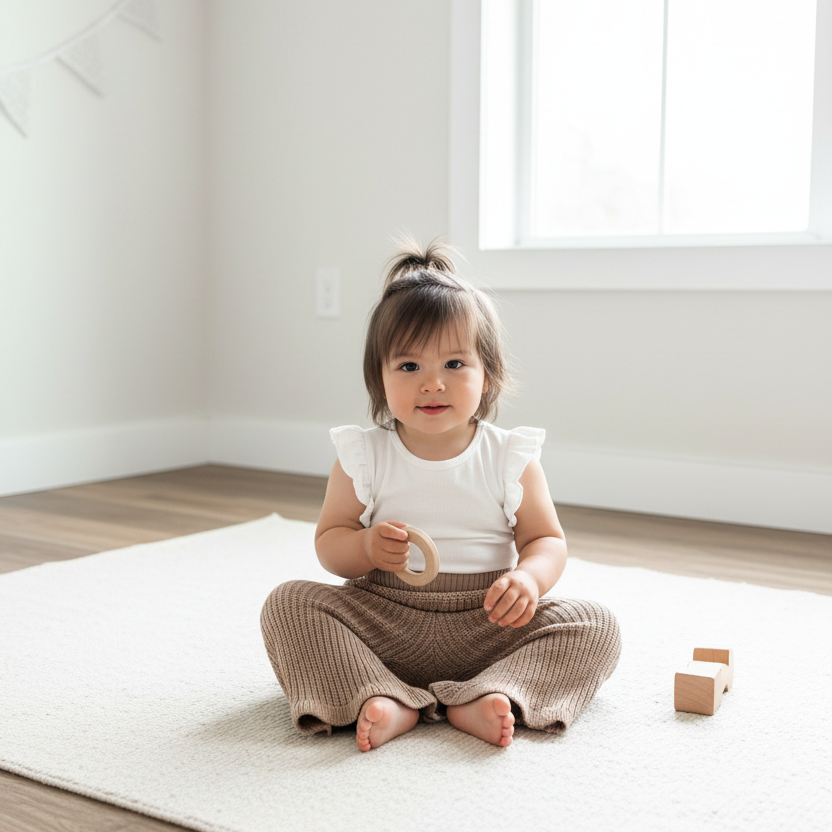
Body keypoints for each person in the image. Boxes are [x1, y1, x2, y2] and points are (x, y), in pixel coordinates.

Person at [260, 239, 621, 751]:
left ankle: (490, 693)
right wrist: (363, 548)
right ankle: (379, 693)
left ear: (488, 375)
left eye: (454, 364)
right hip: (387, 620)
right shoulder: (362, 456)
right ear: (379, 381)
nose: (433, 384)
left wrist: (528, 578)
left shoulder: (510, 457)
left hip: (488, 623)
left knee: (595, 624)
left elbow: (546, 540)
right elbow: (329, 543)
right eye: (409, 368)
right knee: (289, 604)